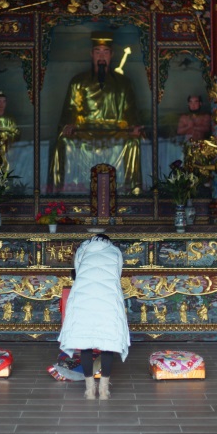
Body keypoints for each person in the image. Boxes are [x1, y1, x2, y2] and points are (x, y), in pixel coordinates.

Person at [50, 33, 144, 193]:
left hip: (116, 132)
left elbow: (131, 112)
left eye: (105, 52)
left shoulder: (124, 83)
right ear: (91, 54)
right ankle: (69, 192)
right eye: (98, 52)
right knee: (64, 142)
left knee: (133, 143)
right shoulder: (78, 82)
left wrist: (134, 127)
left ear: (112, 55)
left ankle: (129, 192)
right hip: (85, 132)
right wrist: (68, 126)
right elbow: (70, 111)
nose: (101, 56)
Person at [58, 233, 130, 400]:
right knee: (108, 342)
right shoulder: (115, 251)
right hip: (108, 300)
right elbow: (117, 273)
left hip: (84, 299)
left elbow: (76, 270)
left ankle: (90, 389)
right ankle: (104, 390)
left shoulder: (83, 249)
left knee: (85, 343)